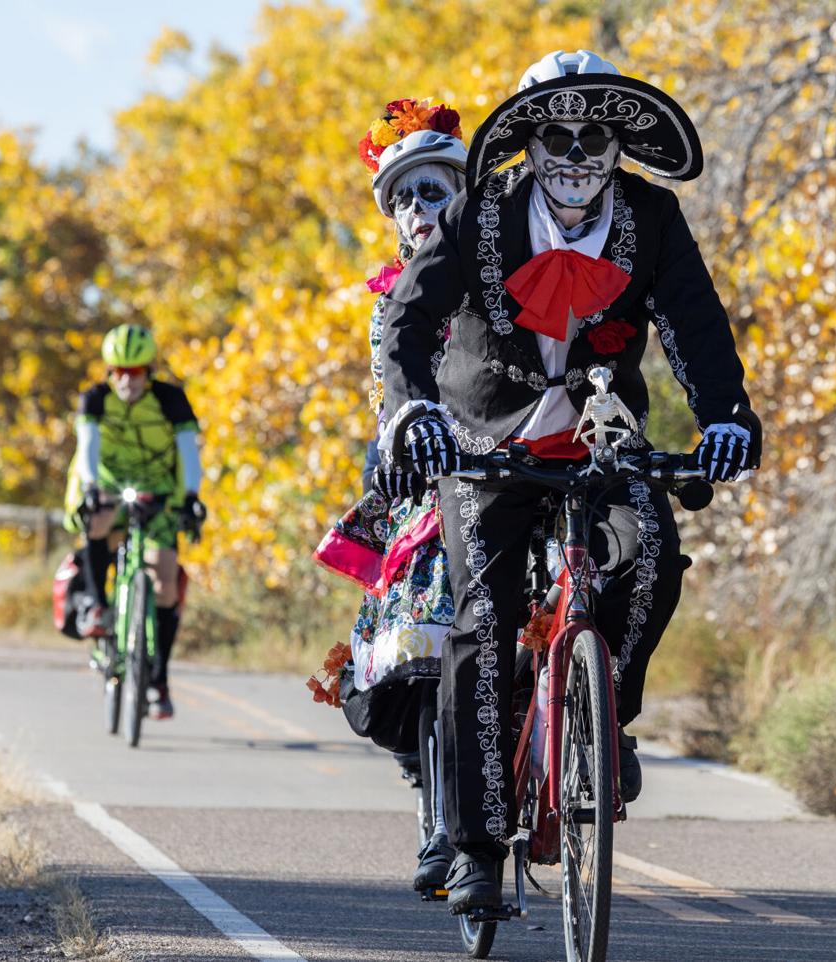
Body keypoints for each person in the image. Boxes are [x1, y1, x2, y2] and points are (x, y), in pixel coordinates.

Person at [377, 51, 762, 913]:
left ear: (619, 145)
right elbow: (408, 313)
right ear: (529, 141)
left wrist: (728, 418)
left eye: (596, 135)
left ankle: (601, 718)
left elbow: (696, 327)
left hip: (603, 437)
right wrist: (410, 413)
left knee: (654, 555)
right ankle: (474, 846)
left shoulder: (652, 218)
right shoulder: (481, 213)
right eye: (559, 134)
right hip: (487, 439)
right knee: (483, 617)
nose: (579, 153)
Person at [311, 99, 467, 893]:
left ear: (463, 196)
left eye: (433, 192)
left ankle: (599, 728)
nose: (417, 211)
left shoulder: (498, 274)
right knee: (418, 645)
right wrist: (398, 451)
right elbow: (392, 395)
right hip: (424, 486)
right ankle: (436, 805)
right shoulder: (388, 302)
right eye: (402, 198)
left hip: (510, 470)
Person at [63, 323, 206, 720]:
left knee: (163, 583)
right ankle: (96, 604)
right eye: (119, 372)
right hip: (109, 485)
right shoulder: (94, 399)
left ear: (149, 371)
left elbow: (188, 450)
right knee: (97, 524)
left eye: (136, 372)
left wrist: (191, 497)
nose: (127, 380)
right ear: (109, 371)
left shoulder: (170, 400)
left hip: (158, 492)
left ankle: (157, 680)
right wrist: (91, 487)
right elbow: (88, 446)